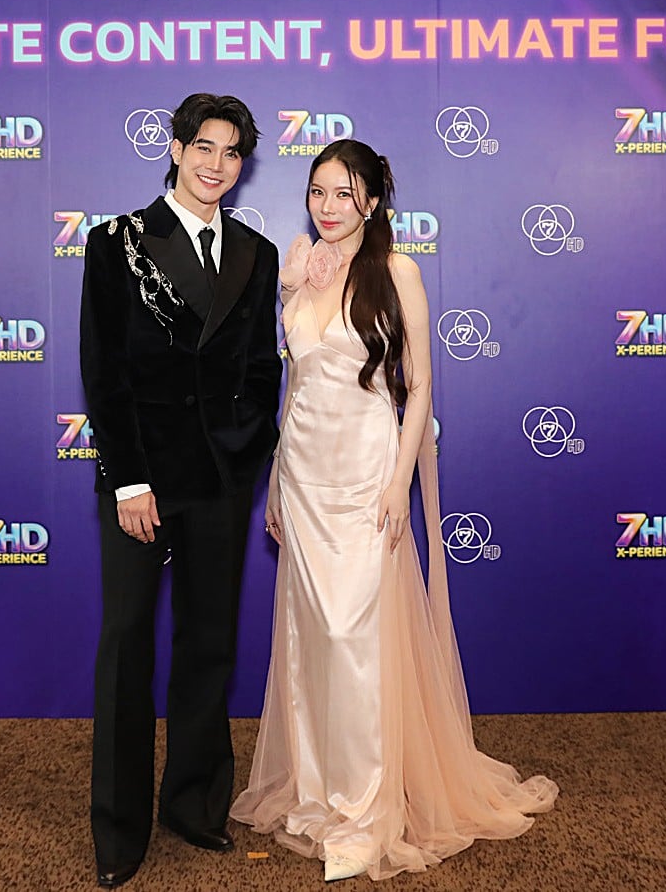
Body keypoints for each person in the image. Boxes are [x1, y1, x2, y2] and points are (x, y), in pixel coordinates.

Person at [231, 139, 557, 882]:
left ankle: (364, 806)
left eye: (345, 193)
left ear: (373, 202)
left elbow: (420, 384)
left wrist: (397, 481)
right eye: (318, 191)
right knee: (311, 640)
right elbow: (294, 386)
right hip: (304, 475)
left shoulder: (398, 271)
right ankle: (319, 794)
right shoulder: (298, 270)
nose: (328, 206)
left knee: (356, 638)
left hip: (366, 475)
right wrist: (277, 477)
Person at [80, 92, 282, 889]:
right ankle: (119, 829)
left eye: (232, 153)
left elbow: (260, 368)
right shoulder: (117, 242)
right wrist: (129, 477)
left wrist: (247, 454)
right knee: (128, 643)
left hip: (220, 480)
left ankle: (194, 805)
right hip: (141, 479)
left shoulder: (257, 252)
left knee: (209, 643)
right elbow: (104, 370)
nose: (216, 165)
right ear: (174, 147)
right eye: (204, 147)